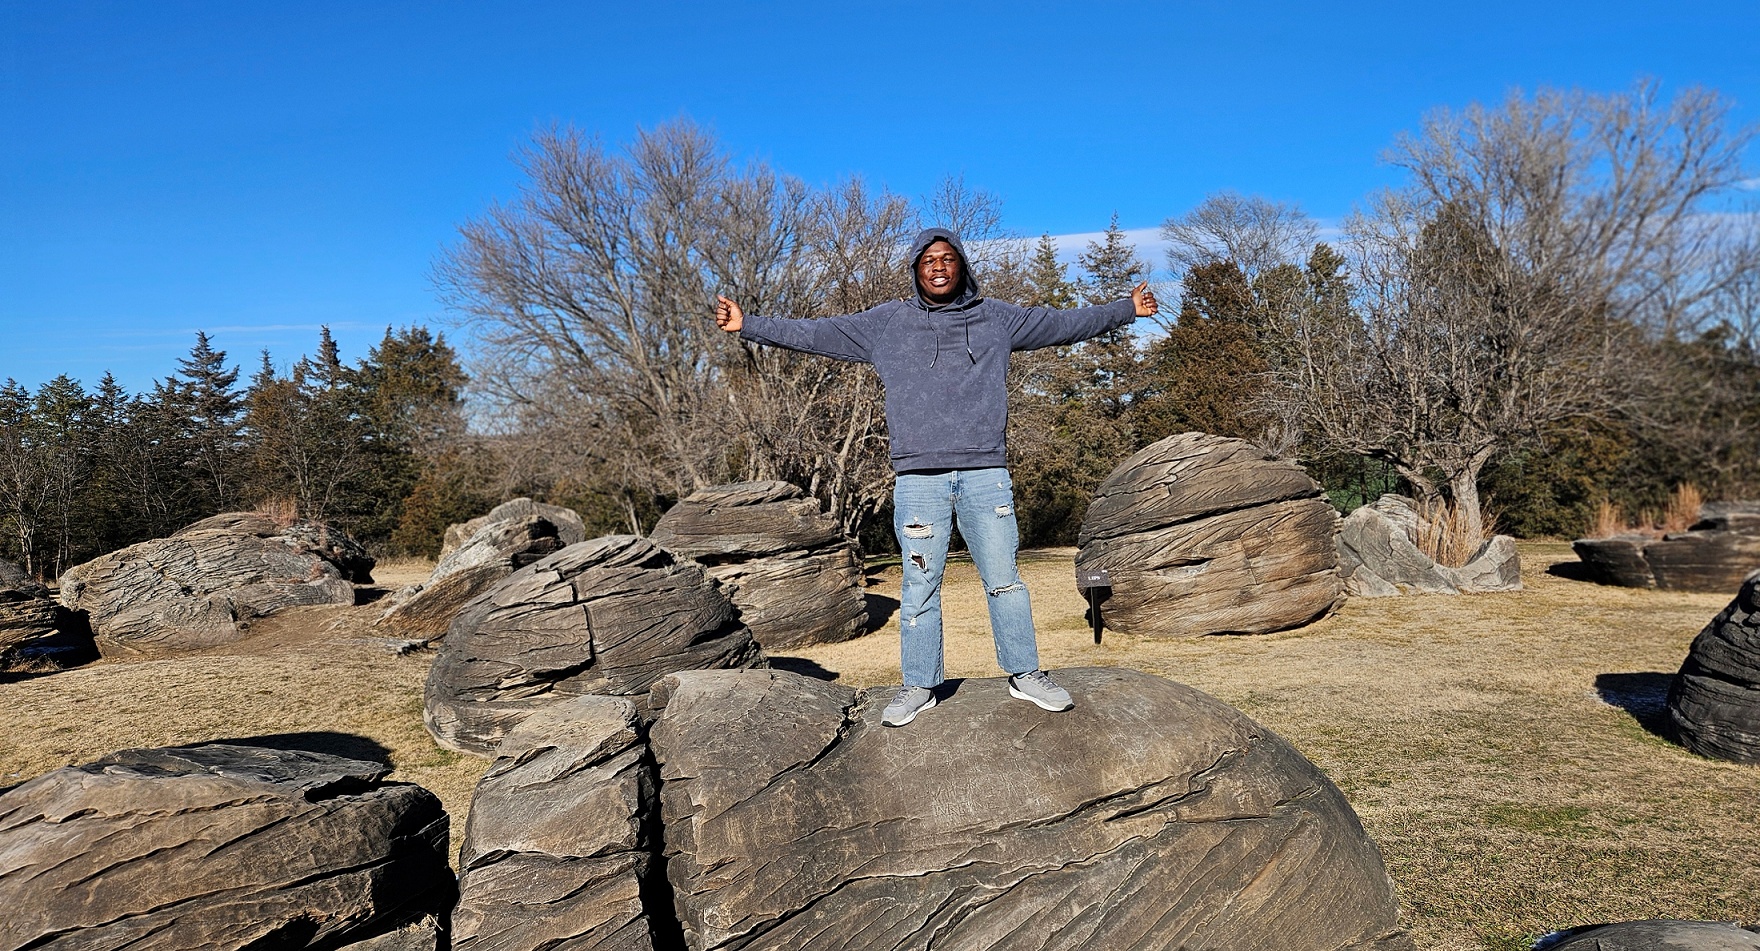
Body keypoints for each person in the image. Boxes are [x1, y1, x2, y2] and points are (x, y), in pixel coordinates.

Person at [715, 227, 1157, 727]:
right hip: (918, 479)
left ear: (962, 266)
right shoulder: (887, 323)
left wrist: (1126, 309)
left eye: (948, 258)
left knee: (1005, 581)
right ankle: (919, 684)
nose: (939, 267)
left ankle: (1026, 673)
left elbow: (1064, 323)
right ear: (916, 270)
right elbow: (817, 333)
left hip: (986, 474)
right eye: (929, 260)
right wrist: (748, 324)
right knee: (919, 585)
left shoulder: (997, 318)